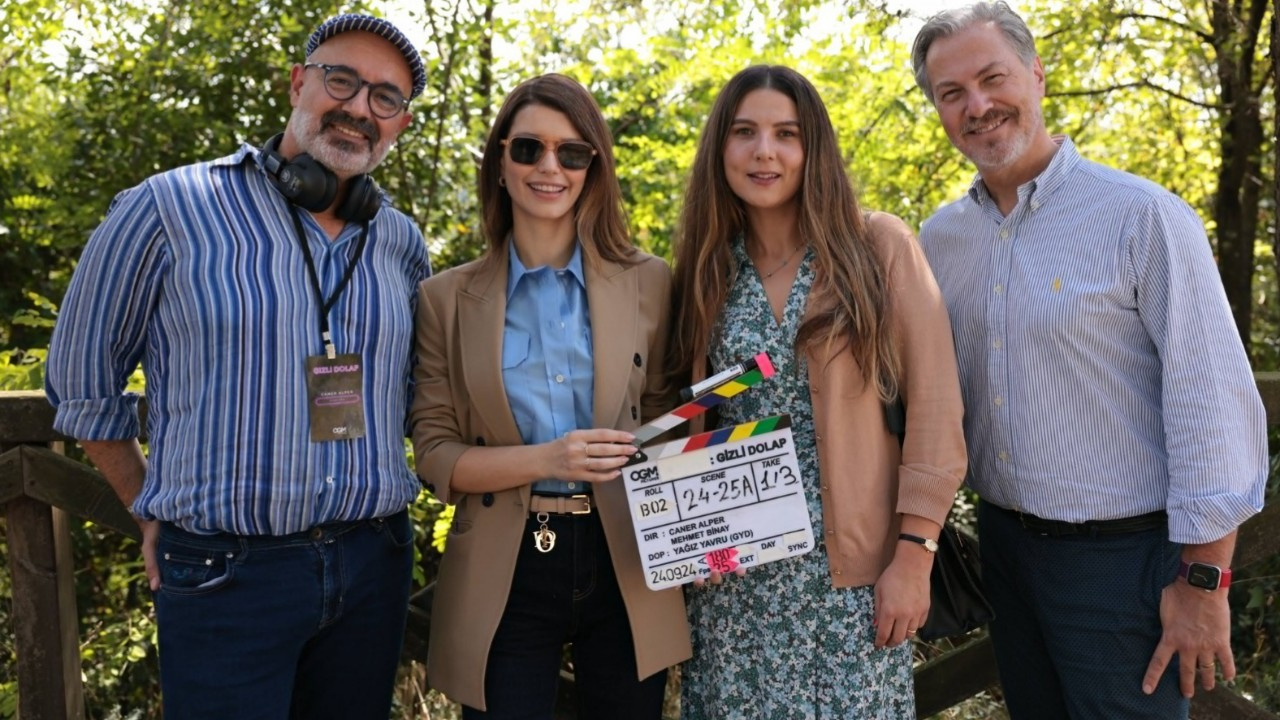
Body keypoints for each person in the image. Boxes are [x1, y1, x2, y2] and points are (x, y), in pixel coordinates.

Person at [44, 13, 431, 719]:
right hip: (224, 575)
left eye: (385, 97)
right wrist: (142, 503)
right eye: (341, 80)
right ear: (297, 83)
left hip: (375, 565)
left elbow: (419, 393)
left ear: (400, 124)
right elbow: (80, 380)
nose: (359, 108)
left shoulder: (401, 242)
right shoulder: (167, 207)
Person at [910, 3, 1269, 718]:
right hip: (1002, 551)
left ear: (1037, 75)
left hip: (1123, 563)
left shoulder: (1142, 217)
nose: (977, 106)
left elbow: (1212, 403)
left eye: (992, 78)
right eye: (952, 93)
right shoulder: (939, 240)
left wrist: (1205, 581)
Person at [668, 64, 967, 719]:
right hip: (734, 587)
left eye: (786, 134)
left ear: (814, 149)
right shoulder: (707, 269)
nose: (764, 152)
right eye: (744, 132)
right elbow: (693, 420)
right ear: (720, 147)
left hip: (854, 586)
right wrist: (687, 540)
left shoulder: (876, 246)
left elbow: (937, 409)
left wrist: (915, 556)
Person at [410, 73, 691, 719]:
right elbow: (435, 454)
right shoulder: (444, 300)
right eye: (529, 148)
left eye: (572, 153)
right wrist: (549, 459)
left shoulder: (650, 281)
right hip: (502, 566)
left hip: (629, 557)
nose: (550, 167)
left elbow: (668, 423)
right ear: (500, 161)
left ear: (594, 168)